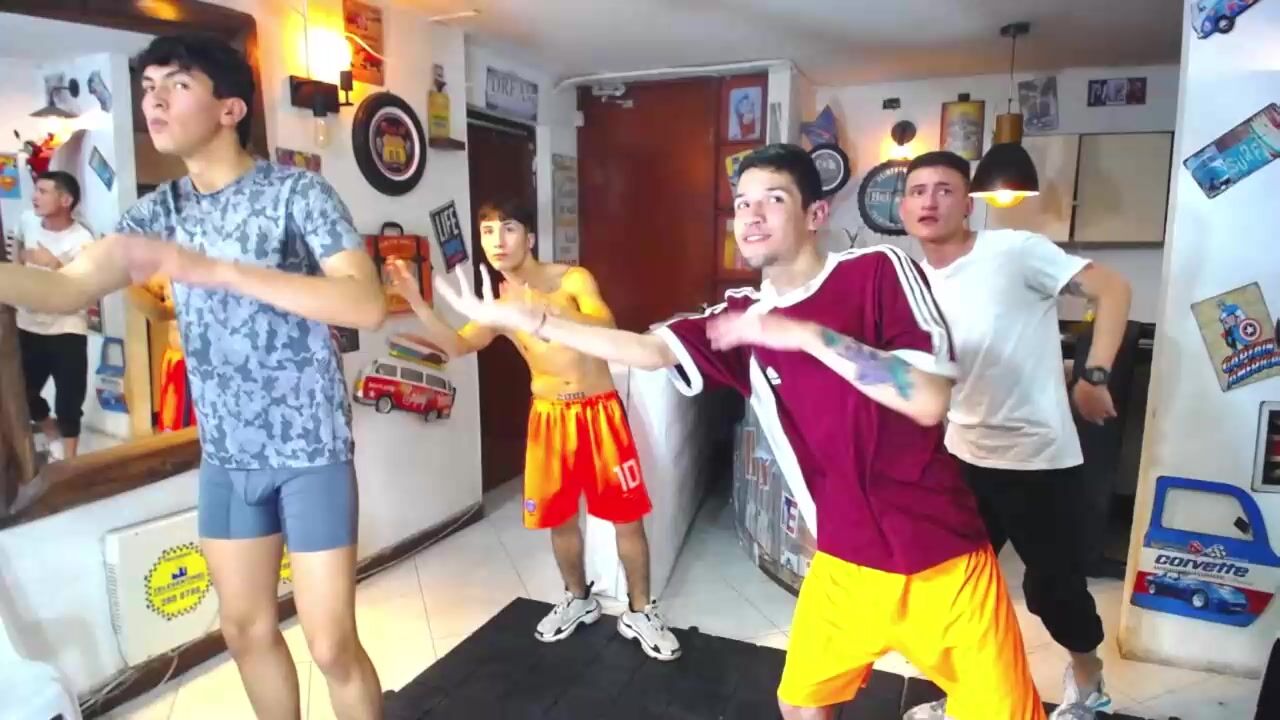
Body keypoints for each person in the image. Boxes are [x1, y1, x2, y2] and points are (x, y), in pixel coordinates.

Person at [434, 144, 1044, 720]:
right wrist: (535, 319)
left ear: (816, 214)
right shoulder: (740, 316)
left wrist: (806, 335)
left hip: (941, 555)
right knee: (800, 703)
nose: (750, 215)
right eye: (742, 203)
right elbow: (648, 350)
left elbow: (929, 398)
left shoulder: (877, 271)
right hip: (845, 558)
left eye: (773, 199)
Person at [0, 34, 386, 720]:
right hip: (226, 456)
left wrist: (217, 271)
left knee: (330, 644)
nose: (153, 100)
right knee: (244, 630)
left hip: (311, 451)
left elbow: (364, 304)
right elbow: (62, 290)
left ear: (230, 108)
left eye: (176, 84)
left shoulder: (297, 193)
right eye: (148, 87)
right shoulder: (156, 214)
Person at [387, 200, 681, 661]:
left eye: (507, 229)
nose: (497, 241)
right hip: (548, 418)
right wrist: (416, 301)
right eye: (487, 232)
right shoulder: (500, 306)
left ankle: (640, 611)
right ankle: (578, 599)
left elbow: (606, 324)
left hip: (598, 412)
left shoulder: (572, 280)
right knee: (560, 519)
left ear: (530, 238)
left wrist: (542, 310)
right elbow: (457, 345)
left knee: (626, 518)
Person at [900, 150, 1133, 720]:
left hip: (1038, 461)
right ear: (903, 207)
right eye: (918, 190)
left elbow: (1113, 289)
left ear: (968, 203)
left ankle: (1089, 683)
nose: (930, 201)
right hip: (962, 456)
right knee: (954, 590)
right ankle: (967, 693)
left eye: (945, 189)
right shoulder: (910, 282)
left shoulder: (1013, 251)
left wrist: (1093, 375)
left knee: (1054, 592)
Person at [14, 171, 96, 460]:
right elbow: (17, 252)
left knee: (69, 401)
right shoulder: (27, 221)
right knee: (21, 393)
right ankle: (51, 434)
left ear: (65, 200)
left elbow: (86, 286)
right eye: (36, 190)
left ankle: (70, 466)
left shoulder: (83, 239)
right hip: (27, 324)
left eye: (43, 191)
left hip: (66, 328)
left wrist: (54, 264)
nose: (35, 197)